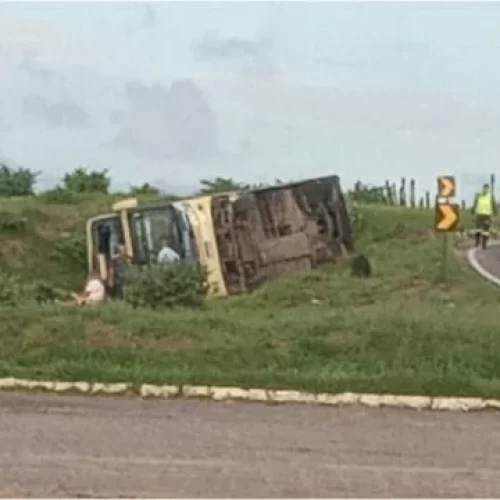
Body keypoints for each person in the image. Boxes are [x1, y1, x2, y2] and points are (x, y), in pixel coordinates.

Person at [471, 183, 497, 250]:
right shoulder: (478, 195)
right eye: (484, 188)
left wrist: (495, 214)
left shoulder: (491, 196)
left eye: (486, 189)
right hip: (479, 215)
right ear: (483, 188)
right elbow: (475, 203)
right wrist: (472, 211)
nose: (485, 190)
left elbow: (494, 206)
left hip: (487, 215)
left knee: (486, 231)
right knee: (477, 230)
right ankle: (477, 242)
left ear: (488, 189)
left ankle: (484, 244)